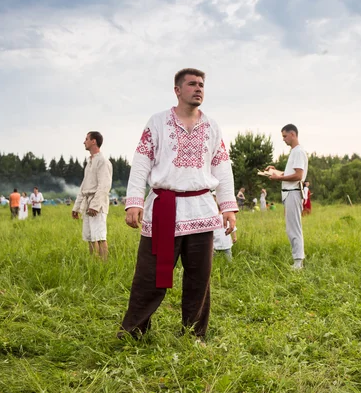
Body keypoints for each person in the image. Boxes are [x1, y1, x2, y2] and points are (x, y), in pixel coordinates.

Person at [119, 68, 238, 340]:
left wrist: (228, 206)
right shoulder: (158, 122)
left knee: (199, 279)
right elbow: (141, 162)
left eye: (201, 85)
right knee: (149, 277)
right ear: (177, 90)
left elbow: (222, 167)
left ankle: (194, 335)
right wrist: (134, 201)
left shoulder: (212, 126)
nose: (198, 89)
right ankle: (133, 332)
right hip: (164, 209)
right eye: (192, 84)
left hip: (201, 209)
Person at [265, 124, 308, 269]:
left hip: (293, 192)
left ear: (293, 134)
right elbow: (288, 173)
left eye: (284, 136)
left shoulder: (298, 152)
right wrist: (274, 171)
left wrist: (278, 179)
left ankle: (298, 262)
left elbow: (298, 175)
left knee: (294, 227)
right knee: (291, 227)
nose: (283, 139)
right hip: (289, 193)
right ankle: (298, 259)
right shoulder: (294, 152)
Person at [72, 131, 114, 261]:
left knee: (100, 236)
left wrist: (95, 205)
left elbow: (104, 186)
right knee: (89, 237)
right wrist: (76, 207)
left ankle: (104, 264)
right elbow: (83, 187)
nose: (84, 142)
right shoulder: (89, 163)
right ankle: (93, 264)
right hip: (87, 202)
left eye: (86, 139)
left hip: (98, 204)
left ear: (93, 141)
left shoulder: (103, 162)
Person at [213, 194, 237, 261]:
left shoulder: (225, 216)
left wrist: (234, 237)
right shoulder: (214, 217)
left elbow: (233, 227)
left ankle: (230, 266)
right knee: (215, 257)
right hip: (217, 242)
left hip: (223, 241)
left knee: (227, 256)